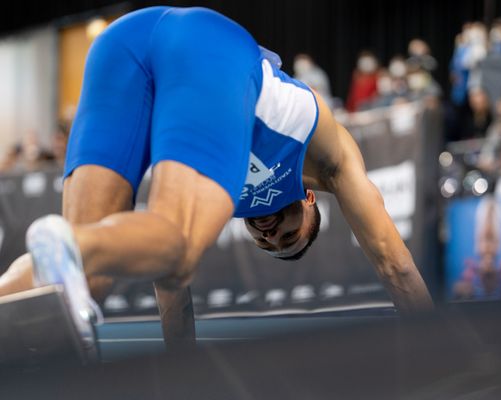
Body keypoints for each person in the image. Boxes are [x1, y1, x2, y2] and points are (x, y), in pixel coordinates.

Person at [0, 7, 432, 350]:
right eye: (289, 235)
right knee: (176, 249)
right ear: (308, 200)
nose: (270, 235)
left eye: (268, 245)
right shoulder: (329, 164)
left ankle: (66, 247)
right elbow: (393, 263)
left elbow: (171, 290)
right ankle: (70, 242)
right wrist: (439, 349)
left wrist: (180, 373)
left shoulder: (219, 194)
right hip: (211, 46)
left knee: (82, 278)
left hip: (121, 45)